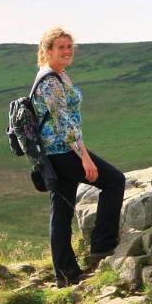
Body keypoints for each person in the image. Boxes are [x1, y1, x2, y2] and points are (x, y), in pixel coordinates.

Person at [32, 27, 125, 286]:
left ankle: (66, 275)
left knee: (61, 212)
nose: (66, 51)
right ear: (47, 50)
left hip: (56, 153)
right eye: (60, 47)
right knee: (114, 181)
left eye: (69, 46)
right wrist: (84, 157)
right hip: (62, 152)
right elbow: (63, 124)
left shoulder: (58, 75)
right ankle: (102, 248)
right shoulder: (50, 81)